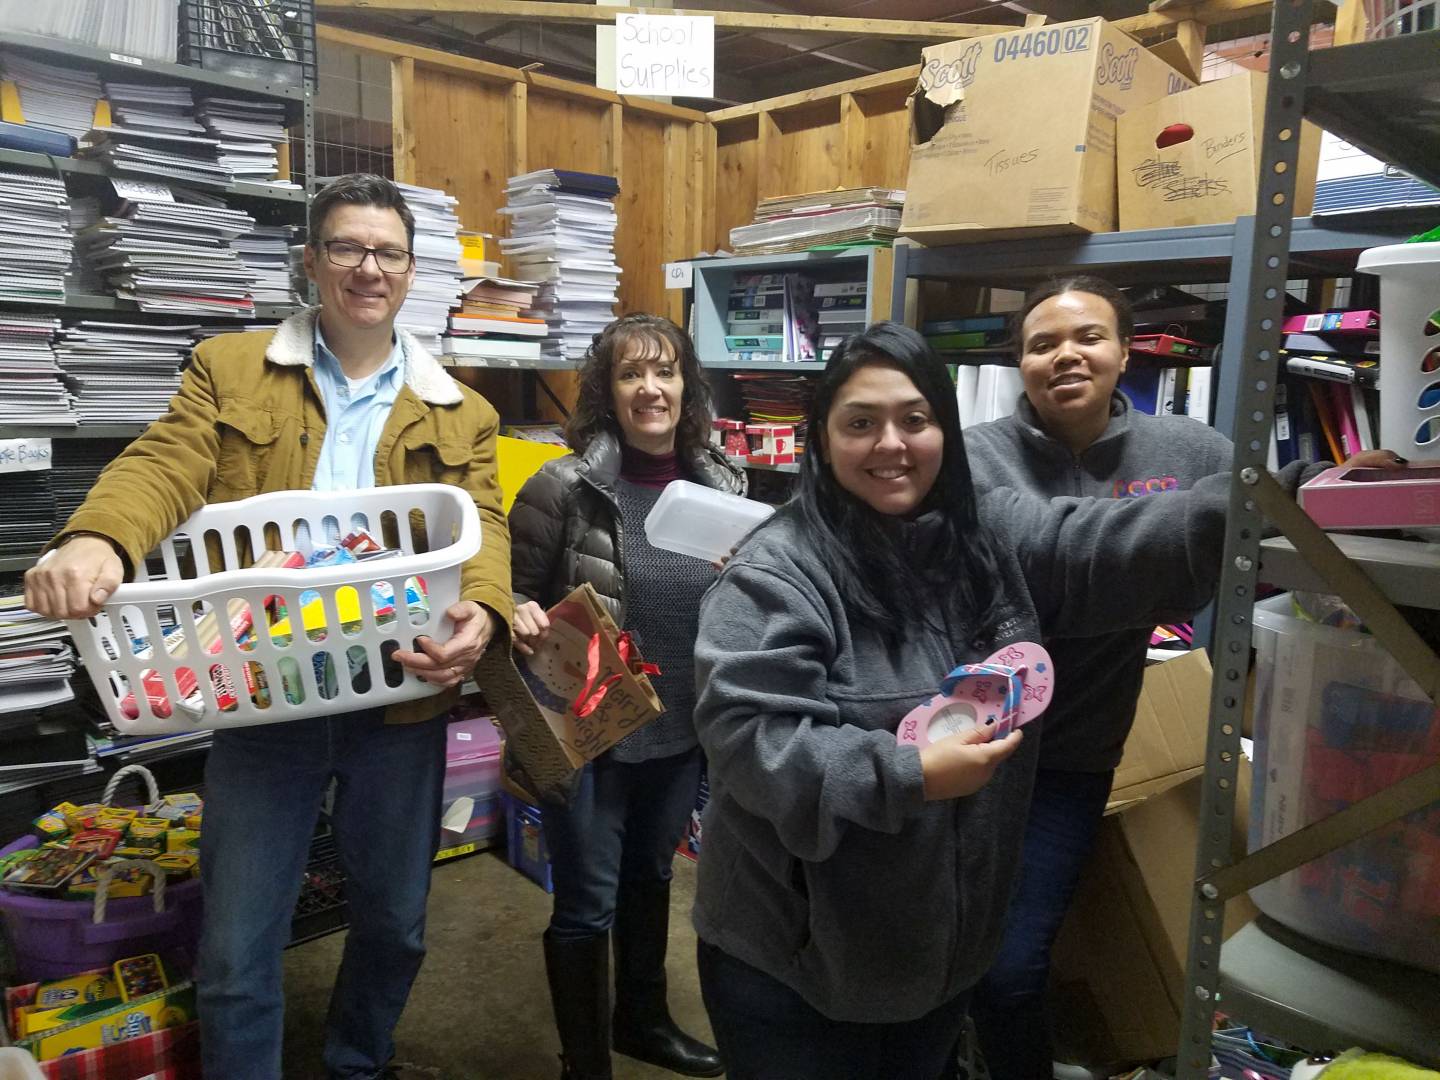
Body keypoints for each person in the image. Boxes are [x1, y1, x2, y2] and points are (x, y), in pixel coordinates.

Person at [23, 174, 514, 1080]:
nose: (369, 268)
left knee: (397, 921)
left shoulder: (464, 409)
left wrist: (481, 613)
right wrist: (98, 537)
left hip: (400, 691)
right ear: (312, 261)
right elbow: (166, 461)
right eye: (348, 248)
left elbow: (483, 525)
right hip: (263, 690)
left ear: (412, 272)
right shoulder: (231, 365)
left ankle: (358, 1062)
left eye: (388, 252)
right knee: (238, 941)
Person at [688, 321, 1244, 1080]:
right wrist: (907, 772)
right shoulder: (776, 573)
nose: (892, 444)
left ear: (944, 432)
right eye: (861, 423)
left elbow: (1101, 541)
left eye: (915, 420)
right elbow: (755, 745)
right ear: (821, 441)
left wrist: (1279, 502)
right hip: (799, 969)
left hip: (941, 958)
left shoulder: (986, 535)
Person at [961, 276, 1405, 1080]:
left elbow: (1261, 535)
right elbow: (1057, 565)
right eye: (1041, 343)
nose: (1066, 355)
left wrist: (1333, 492)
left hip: (1071, 759)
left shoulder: (1189, 453)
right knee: (942, 948)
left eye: (1088, 336)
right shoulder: (973, 458)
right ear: (1019, 362)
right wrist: (1187, 537)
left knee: (1009, 967)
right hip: (962, 748)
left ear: (1126, 350)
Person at [509, 313, 737, 1080]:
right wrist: (516, 612)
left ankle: (641, 1021)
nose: (651, 388)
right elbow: (505, 596)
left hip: (678, 735)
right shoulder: (562, 487)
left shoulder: (723, 484)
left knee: (651, 879)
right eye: (631, 373)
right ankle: (586, 1065)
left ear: (686, 384)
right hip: (589, 735)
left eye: (665, 371)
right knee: (585, 906)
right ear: (608, 392)